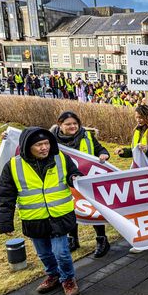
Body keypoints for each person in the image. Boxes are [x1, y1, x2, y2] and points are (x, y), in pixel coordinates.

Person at [0, 127, 83, 295]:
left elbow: (74, 174)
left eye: (47, 143)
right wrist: (4, 221)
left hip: (59, 216)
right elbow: (6, 195)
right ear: (28, 146)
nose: (44, 148)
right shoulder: (13, 165)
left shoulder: (62, 158)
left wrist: (75, 178)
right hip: (34, 219)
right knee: (44, 254)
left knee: (62, 253)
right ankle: (53, 275)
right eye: (39, 144)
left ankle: (68, 278)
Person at [49, 111, 111, 258]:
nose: (72, 126)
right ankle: (73, 239)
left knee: (92, 208)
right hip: (63, 181)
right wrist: (8, 137)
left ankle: (102, 240)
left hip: (85, 180)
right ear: (60, 125)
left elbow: (100, 149)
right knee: (70, 209)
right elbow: (31, 144)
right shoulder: (50, 139)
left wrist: (104, 154)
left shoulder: (87, 135)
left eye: (75, 123)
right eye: (68, 124)